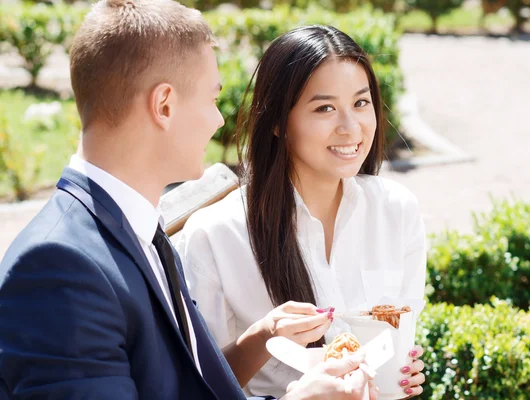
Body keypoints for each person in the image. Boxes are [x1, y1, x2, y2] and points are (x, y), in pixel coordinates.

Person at [0, 2, 376, 398]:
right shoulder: (60, 268)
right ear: (164, 105)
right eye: (213, 99)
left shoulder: (139, 234)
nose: (218, 120)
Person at [177, 25, 427, 399]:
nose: (350, 127)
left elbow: (399, 346)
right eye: (325, 108)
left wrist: (402, 375)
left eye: (361, 103)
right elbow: (199, 386)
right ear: (278, 122)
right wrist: (264, 337)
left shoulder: (397, 211)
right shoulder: (216, 235)